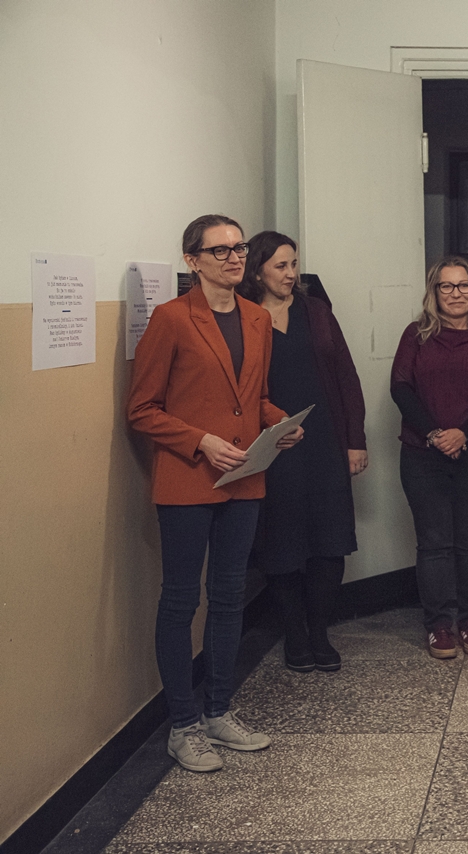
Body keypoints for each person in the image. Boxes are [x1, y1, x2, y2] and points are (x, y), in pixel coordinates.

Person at [128, 214, 303, 772]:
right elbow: (142, 410)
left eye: (239, 248)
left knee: (229, 597)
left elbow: (255, 398)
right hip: (188, 479)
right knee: (182, 600)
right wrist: (200, 441)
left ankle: (218, 712)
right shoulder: (171, 318)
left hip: (245, 476)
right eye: (220, 250)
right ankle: (183, 725)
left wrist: (280, 424)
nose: (234, 258)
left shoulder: (256, 317)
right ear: (193, 260)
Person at [238, 231, 367, 673]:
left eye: (294, 264)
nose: (291, 273)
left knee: (329, 543)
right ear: (257, 271)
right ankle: (294, 635)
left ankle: (319, 633)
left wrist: (355, 440)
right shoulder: (243, 315)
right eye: (280, 266)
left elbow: (346, 376)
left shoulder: (316, 312)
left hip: (324, 441)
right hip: (272, 448)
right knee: (281, 543)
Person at [391, 256, 468, 660]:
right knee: (434, 544)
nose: (456, 293)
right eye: (447, 286)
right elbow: (400, 388)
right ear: (434, 292)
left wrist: (464, 434)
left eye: (463, 286)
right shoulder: (416, 335)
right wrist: (435, 434)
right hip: (422, 454)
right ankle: (439, 626)